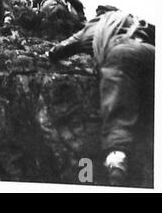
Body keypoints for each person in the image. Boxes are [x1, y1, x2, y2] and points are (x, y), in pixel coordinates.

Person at [47, 10, 155, 186]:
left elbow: (66, 46)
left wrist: (51, 54)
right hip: (152, 55)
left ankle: (117, 158)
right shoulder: (135, 19)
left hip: (123, 54)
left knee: (117, 105)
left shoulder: (98, 23)